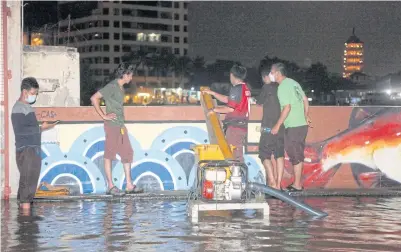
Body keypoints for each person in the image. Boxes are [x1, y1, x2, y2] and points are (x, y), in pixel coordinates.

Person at [91, 63, 143, 196]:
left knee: (127, 152)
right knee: (109, 154)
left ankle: (129, 185)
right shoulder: (112, 86)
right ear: (125, 75)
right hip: (112, 125)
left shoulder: (120, 87)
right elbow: (94, 98)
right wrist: (103, 115)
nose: (131, 78)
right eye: (130, 75)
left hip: (120, 125)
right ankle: (110, 186)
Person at [11, 77, 57, 211]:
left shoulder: (26, 107)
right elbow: (22, 131)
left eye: (36, 93)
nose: (35, 96)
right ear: (25, 92)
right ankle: (26, 224)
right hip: (27, 150)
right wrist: (42, 127)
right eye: (33, 93)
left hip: (31, 150)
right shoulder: (18, 108)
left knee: (27, 184)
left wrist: (43, 127)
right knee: (28, 186)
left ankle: (24, 220)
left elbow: (29, 128)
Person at [270, 63, 311, 192]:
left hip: (294, 125)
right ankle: (296, 183)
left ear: (277, 73)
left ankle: (297, 185)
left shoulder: (282, 87)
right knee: (296, 153)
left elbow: (287, 108)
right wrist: (306, 115)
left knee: (296, 155)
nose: (271, 75)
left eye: (272, 72)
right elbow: (305, 99)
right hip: (300, 125)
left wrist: (277, 125)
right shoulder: (293, 83)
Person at [203, 64, 251, 162]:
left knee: (234, 156)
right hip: (240, 126)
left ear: (232, 75)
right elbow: (227, 99)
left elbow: (230, 109)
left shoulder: (236, 88)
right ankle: (239, 175)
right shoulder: (244, 88)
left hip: (235, 127)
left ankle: (238, 176)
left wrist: (214, 110)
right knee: (236, 154)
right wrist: (212, 93)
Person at [256, 67, 285, 190]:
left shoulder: (266, 87)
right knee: (279, 155)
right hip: (281, 126)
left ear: (264, 77)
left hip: (268, 127)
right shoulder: (281, 87)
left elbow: (259, 102)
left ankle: (272, 182)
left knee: (264, 154)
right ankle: (278, 185)